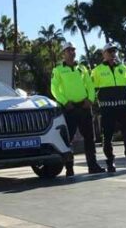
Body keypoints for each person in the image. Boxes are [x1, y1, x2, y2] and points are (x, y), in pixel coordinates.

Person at [51, 42, 105, 176]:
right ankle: (69, 168)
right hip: (69, 108)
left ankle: (93, 165)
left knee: (89, 138)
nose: (71, 52)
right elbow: (54, 88)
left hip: (84, 106)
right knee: (67, 139)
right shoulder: (57, 70)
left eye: (73, 50)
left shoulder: (82, 68)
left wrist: (90, 99)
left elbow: (90, 86)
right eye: (68, 50)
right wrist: (64, 102)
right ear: (63, 53)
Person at [91, 43, 126, 172]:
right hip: (107, 108)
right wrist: (96, 103)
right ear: (104, 54)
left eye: (114, 51)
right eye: (109, 51)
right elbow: (93, 89)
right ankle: (110, 162)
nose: (112, 54)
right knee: (108, 136)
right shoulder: (97, 71)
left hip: (123, 107)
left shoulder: (123, 68)